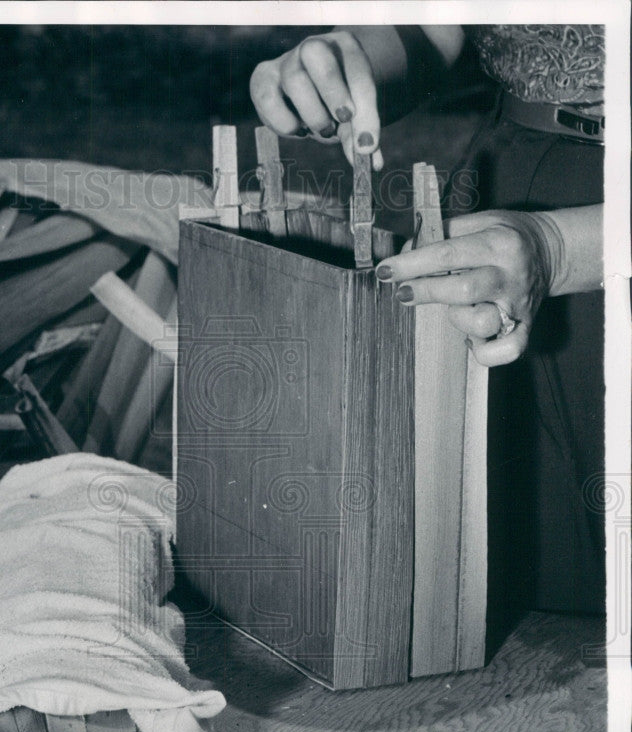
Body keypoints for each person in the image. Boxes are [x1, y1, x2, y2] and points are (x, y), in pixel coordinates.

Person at [250, 25, 605, 619]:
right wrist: (351, 63)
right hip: (507, 182)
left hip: (595, 236)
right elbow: (443, 28)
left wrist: (560, 248)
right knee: (513, 582)